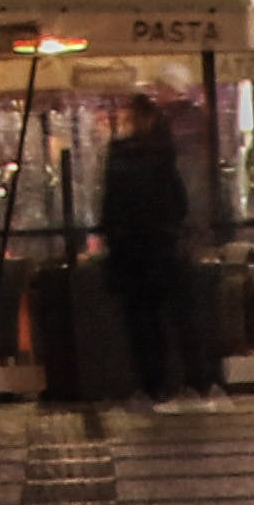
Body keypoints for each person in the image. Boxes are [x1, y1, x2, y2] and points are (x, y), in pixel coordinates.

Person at [96, 99, 199, 407]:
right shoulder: (163, 155)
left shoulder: (120, 157)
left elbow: (110, 206)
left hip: (128, 252)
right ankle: (170, 381)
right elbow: (179, 204)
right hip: (159, 249)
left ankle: (147, 382)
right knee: (164, 319)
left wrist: (114, 237)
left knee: (137, 322)